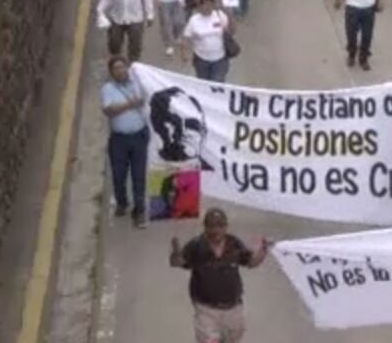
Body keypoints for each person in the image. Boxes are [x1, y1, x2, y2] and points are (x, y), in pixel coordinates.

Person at [170, 208, 270, 343]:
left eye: (220, 226)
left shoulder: (234, 244)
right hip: (206, 311)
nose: (216, 230)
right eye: (211, 226)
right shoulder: (196, 245)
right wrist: (175, 254)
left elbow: (251, 262)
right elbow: (178, 262)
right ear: (205, 227)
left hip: (234, 310)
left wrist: (264, 250)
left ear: (226, 227)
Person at [101, 56, 149, 228]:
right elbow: (109, 110)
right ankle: (122, 202)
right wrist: (130, 104)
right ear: (111, 72)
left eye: (123, 67)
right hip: (119, 140)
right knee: (119, 175)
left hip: (139, 136)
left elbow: (146, 99)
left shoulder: (138, 84)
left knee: (138, 175)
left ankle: (139, 211)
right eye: (116, 68)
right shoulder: (108, 89)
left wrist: (134, 102)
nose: (120, 70)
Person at [184, 0, 235, 82]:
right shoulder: (194, 20)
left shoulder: (220, 16)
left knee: (217, 83)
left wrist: (230, 17)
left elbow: (232, 31)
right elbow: (187, 37)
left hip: (220, 59)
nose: (207, 7)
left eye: (210, 5)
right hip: (201, 60)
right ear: (200, 6)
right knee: (204, 83)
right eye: (205, 5)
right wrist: (185, 53)